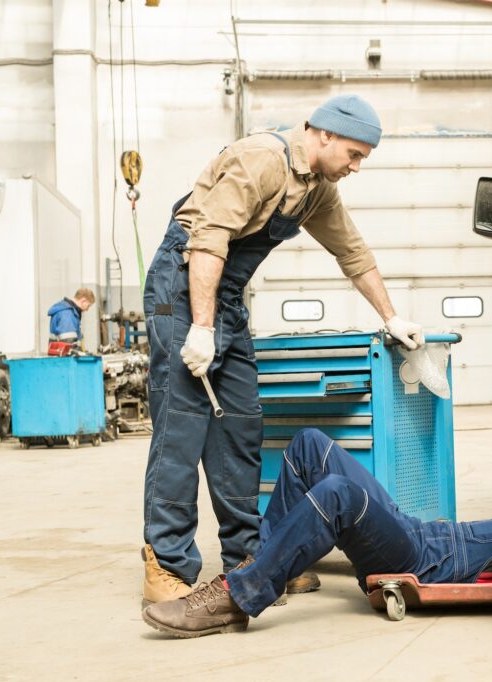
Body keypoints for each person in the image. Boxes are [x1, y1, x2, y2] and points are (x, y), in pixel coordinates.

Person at [141, 94, 426, 606]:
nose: (356, 167)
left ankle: (248, 556)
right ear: (324, 134)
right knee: (182, 427)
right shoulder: (261, 160)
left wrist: (392, 316)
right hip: (182, 287)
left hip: (223, 295)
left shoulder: (318, 189)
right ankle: (166, 565)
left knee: (242, 428)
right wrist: (200, 328)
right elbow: (208, 242)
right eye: (355, 154)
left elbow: (352, 253)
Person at [142, 417, 492, 638]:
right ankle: (269, 564)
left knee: (337, 497)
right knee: (311, 444)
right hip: (425, 533)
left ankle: (240, 595)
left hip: (428, 562)